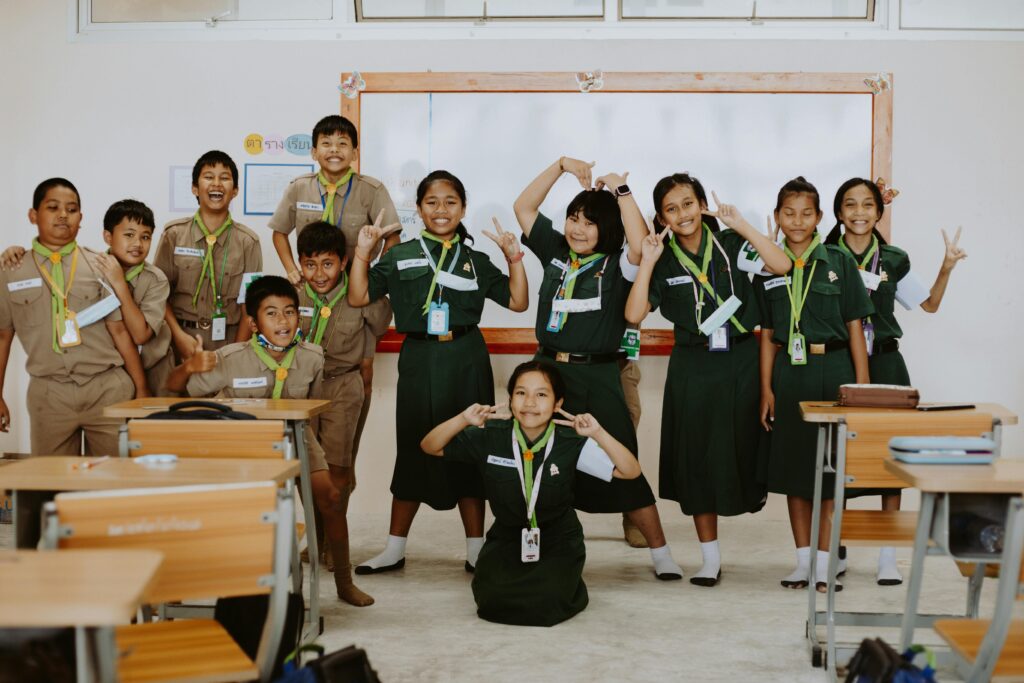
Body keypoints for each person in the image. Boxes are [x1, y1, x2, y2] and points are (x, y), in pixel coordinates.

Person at [348, 170, 528, 574]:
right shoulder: (398, 255)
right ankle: (394, 549)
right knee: (413, 448)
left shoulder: (475, 259)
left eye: (450, 202)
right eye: (432, 202)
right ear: (418, 209)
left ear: (463, 207)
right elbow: (359, 295)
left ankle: (475, 550)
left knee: (470, 447)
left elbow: (518, 302)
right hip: (419, 359)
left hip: (467, 357)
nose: (441, 210)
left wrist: (513, 257)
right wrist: (364, 252)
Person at [513, 156, 683, 579]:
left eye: (589, 222)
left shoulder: (619, 264)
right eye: (573, 218)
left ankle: (661, 554)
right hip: (548, 372)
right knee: (539, 459)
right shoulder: (555, 250)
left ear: (604, 230)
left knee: (623, 462)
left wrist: (621, 191)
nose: (577, 228)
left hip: (601, 375)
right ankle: (539, 545)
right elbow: (524, 208)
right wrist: (559, 167)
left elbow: (642, 242)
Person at [625, 173, 790, 586]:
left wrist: (742, 225)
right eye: (671, 208)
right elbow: (633, 314)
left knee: (743, 449)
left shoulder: (732, 244)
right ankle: (709, 558)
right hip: (693, 364)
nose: (682, 214)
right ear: (661, 217)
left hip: (741, 359)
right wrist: (646, 260)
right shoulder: (662, 259)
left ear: (702, 204)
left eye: (688, 203)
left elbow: (782, 264)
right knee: (697, 456)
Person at [166, 275, 362, 604]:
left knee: (330, 497)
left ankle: (344, 582)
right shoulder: (229, 358)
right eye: (271, 314)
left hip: (298, 436)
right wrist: (189, 367)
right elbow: (174, 389)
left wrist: (307, 453)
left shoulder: (313, 357)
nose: (282, 321)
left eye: (289, 312)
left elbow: (310, 408)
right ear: (254, 323)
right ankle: (197, 581)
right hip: (247, 445)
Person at [421, 360, 641, 626]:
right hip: (507, 536)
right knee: (490, 598)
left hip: (558, 539)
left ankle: (566, 579)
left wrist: (598, 433)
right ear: (511, 399)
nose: (530, 403)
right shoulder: (491, 436)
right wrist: (463, 419)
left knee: (548, 599)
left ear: (558, 403)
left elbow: (630, 471)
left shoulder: (569, 441)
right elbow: (430, 446)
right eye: (521, 393)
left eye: (541, 395)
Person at [825, 177, 967, 585]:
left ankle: (888, 555)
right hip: (840, 366)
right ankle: (836, 549)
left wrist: (946, 266)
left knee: (891, 460)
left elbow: (930, 304)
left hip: (886, 365)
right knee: (840, 461)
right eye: (850, 205)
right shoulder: (825, 256)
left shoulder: (893, 258)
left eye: (867, 205)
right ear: (838, 213)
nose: (859, 212)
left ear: (878, 212)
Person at [754, 176, 872, 592]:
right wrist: (766, 389)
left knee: (828, 474)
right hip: (790, 373)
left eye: (806, 213)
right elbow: (768, 335)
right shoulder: (767, 266)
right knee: (794, 471)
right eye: (789, 213)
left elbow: (856, 329)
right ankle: (803, 562)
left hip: (834, 371)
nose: (797, 221)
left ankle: (825, 565)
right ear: (777, 217)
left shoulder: (839, 262)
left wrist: (863, 389)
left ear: (820, 217)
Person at [269, 114, 401, 463]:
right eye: (326, 143)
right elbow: (280, 232)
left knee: (364, 374)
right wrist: (292, 270)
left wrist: (372, 282)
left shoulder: (371, 190)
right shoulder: (299, 187)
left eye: (343, 143)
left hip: (354, 295)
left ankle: (344, 468)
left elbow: (393, 239)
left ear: (355, 152)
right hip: (311, 287)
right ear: (314, 151)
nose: (334, 150)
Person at [0, 178, 147, 455]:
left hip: (106, 390)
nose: (63, 215)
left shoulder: (100, 266)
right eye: (53, 207)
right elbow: (3, 337)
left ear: (81, 218)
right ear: (34, 215)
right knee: (52, 485)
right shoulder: (12, 270)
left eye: (72, 209)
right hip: (49, 395)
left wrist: (141, 390)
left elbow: (120, 333)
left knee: (111, 483)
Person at [296, 221, 391, 604]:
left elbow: (380, 327)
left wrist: (364, 285)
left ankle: (338, 551)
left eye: (328, 264)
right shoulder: (293, 294)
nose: (319, 274)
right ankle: (315, 540)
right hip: (301, 389)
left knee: (337, 470)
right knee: (306, 467)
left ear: (344, 261)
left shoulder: (360, 291)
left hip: (342, 385)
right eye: (310, 265)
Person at [154, 150, 262, 359]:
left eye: (225, 178)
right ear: (195, 188)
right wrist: (178, 337)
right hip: (179, 337)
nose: (217, 184)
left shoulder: (248, 242)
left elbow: (249, 305)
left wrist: (235, 354)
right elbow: (157, 295)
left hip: (228, 340)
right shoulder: (174, 235)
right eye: (208, 177)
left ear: (235, 190)